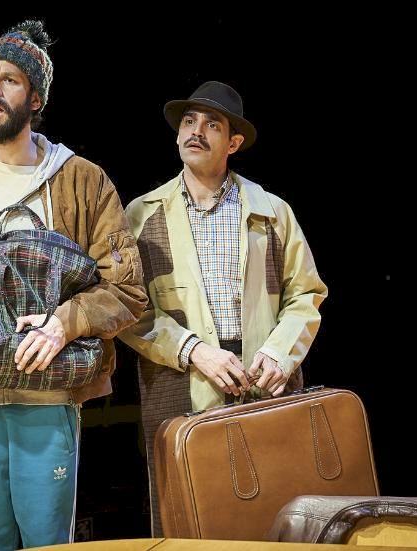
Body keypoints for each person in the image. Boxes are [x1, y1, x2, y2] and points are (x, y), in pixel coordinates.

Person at [0, 20, 146, 550]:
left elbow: (127, 290)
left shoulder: (83, 180)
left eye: (9, 80)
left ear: (35, 98)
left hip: (46, 392)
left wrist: (63, 323)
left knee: (46, 542)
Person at [118, 80, 328, 536]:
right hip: (182, 384)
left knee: (275, 513)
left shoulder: (272, 212)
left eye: (212, 124)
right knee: (190, 519)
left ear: (233, 143)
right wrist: (195, 350)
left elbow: (306, 294)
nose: (196, 131)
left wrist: (279, 354)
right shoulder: (141, 215)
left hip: (263, 383)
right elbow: (129, 308)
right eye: (188, 122)